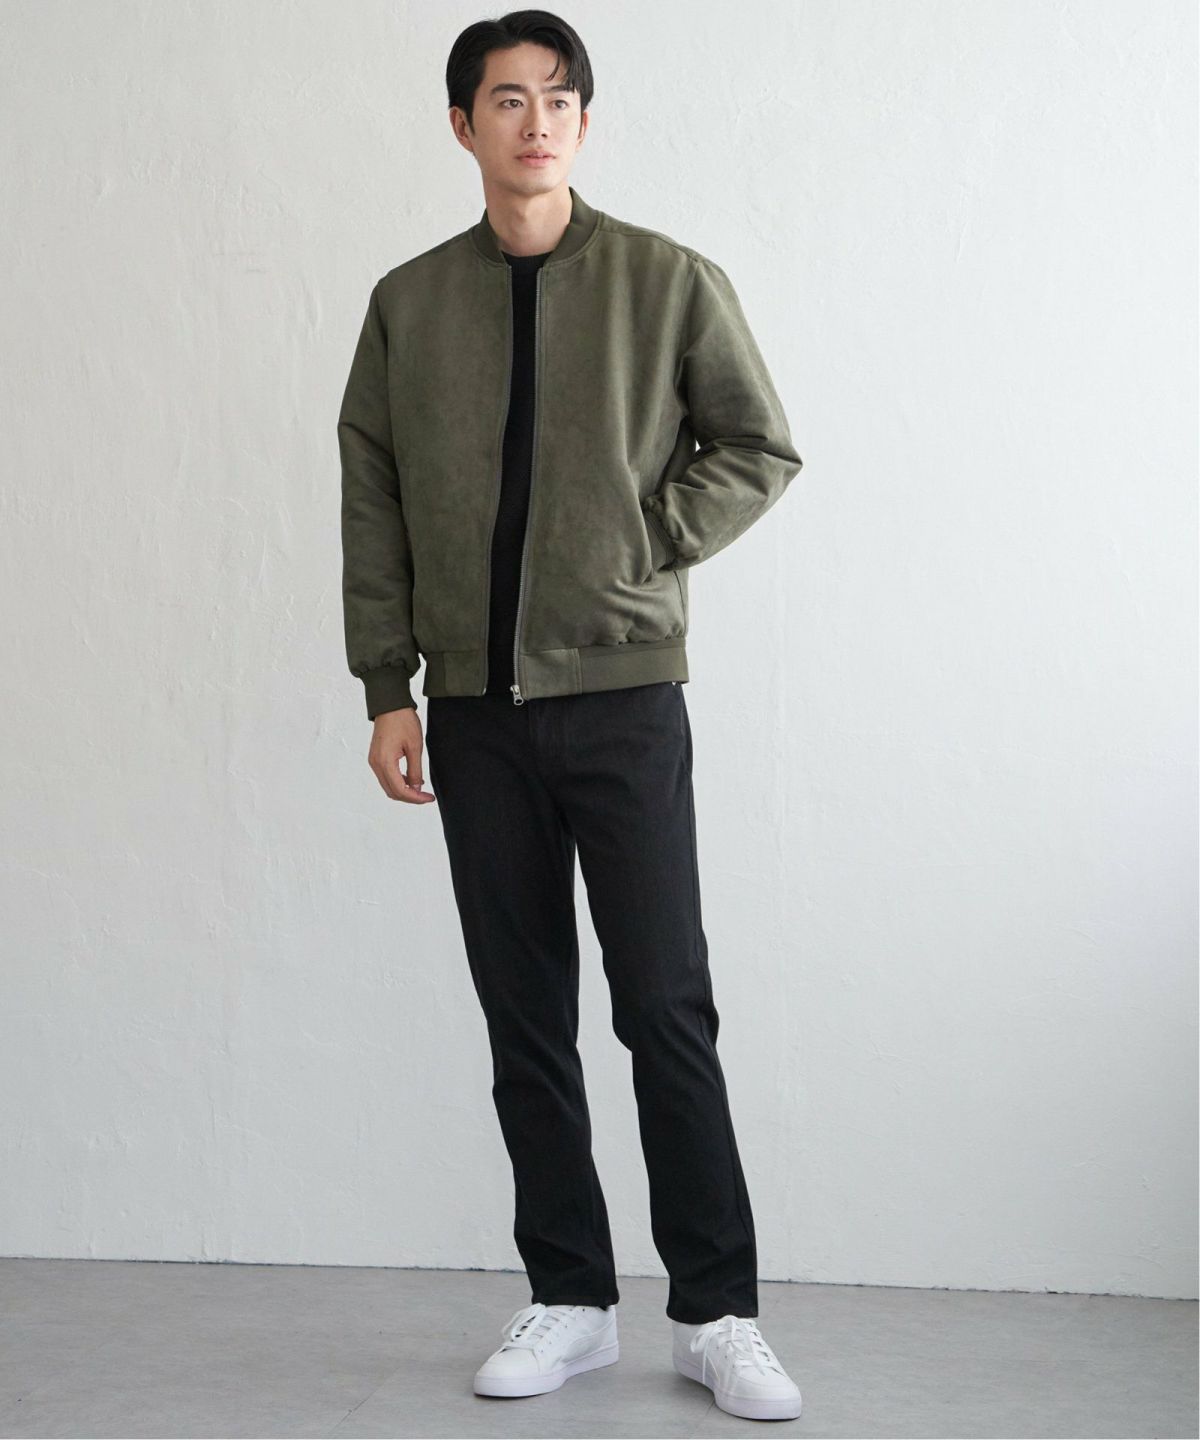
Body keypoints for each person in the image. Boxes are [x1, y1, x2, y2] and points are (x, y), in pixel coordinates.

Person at [337, 9, 804, 1423]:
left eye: (557, 99)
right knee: (525, 1014)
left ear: (584, 124)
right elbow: (372, 489)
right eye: (505, 99)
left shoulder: (666, 280)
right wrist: (387, 685)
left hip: (624, 699)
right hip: (474, 713)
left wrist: (636, 543)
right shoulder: (410, 304)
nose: (534, 121)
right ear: (463, 125)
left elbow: (757, 444)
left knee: (665, 1006)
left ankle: (717, 1310)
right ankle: (573, 1298)